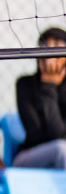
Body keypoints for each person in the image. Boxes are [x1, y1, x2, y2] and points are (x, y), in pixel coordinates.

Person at [15, 28, 66, 169]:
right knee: (62, 150)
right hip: (29, 156)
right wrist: (48, 86)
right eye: (45, 46)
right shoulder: (24, 84)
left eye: (57, 45)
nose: (50, 51)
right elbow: (41, 135)